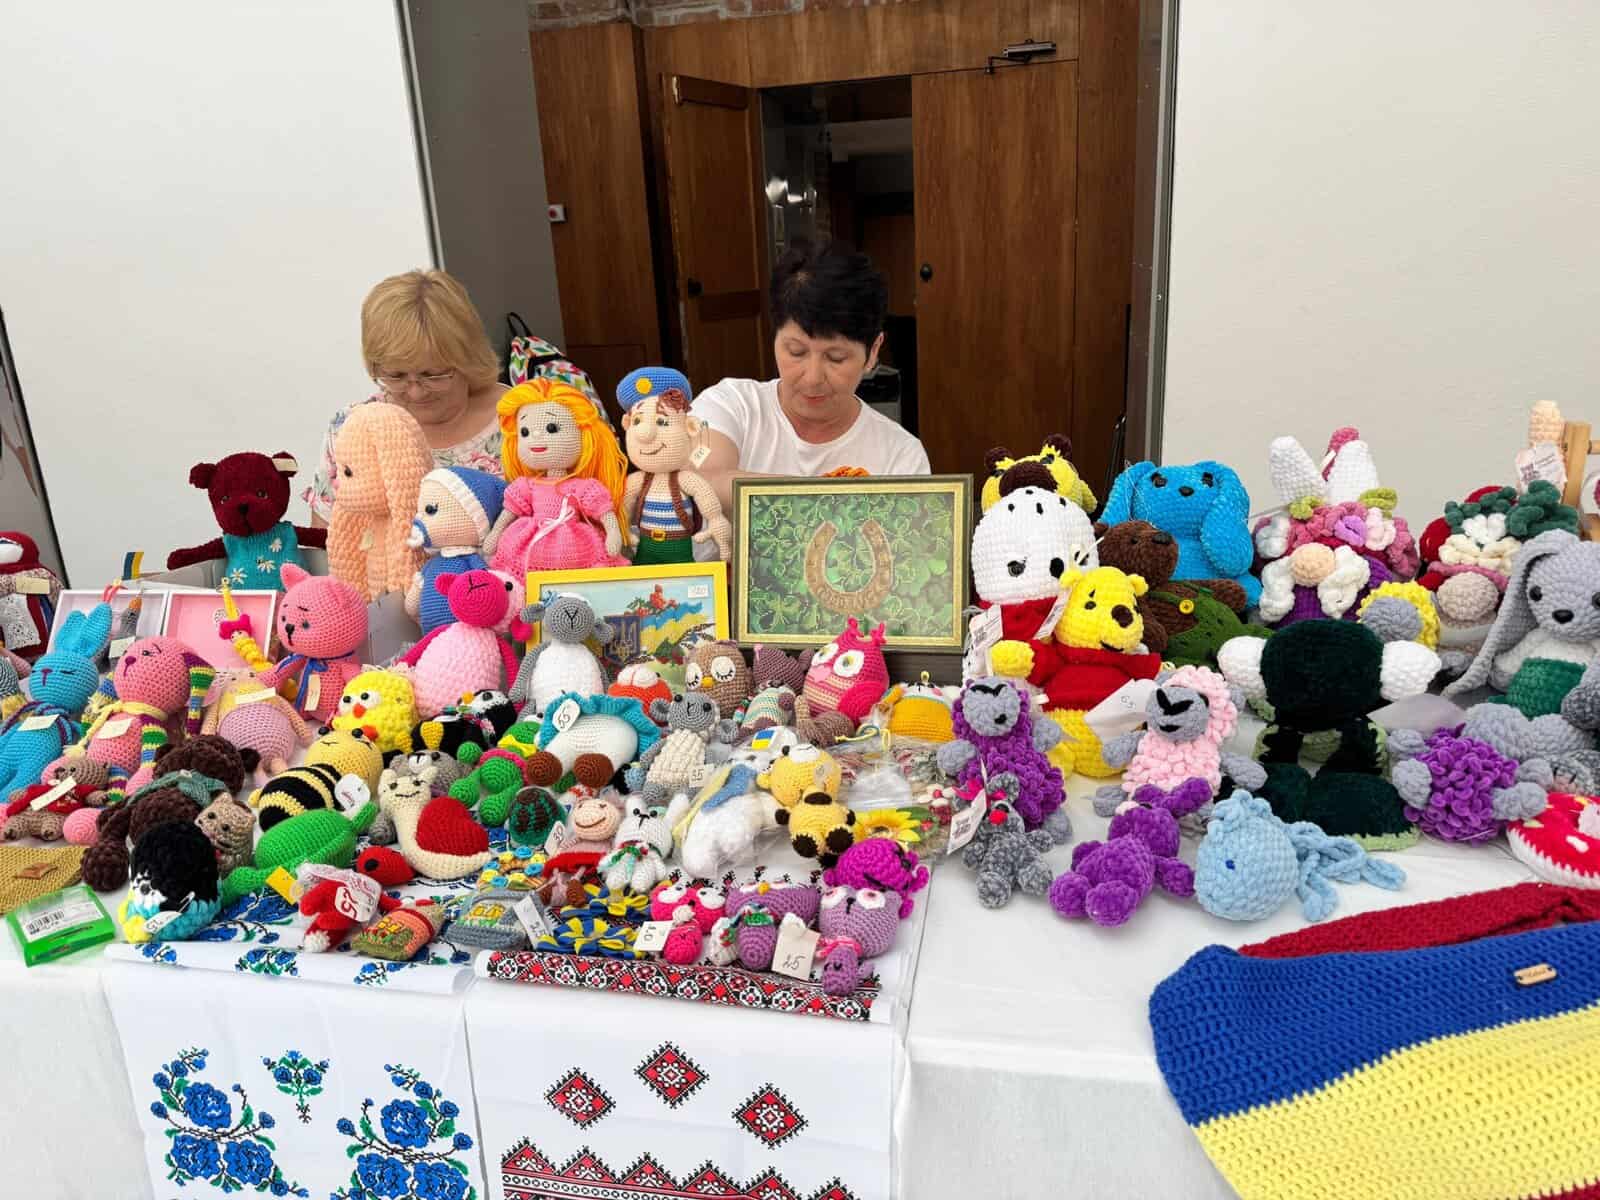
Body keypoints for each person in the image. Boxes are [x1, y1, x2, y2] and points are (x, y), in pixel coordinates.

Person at [306, 268, 595, 524]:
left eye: (433, 375)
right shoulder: (351, 429)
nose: (416, 391)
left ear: (467, 358)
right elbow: (326, 541)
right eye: (396, 376)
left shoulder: (526, 421)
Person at [693, 241, 930, 514]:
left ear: (873, 351)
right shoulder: (732, 405)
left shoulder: (900, 456)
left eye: (836, 357)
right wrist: (830, 498)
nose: (812, 378)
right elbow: (702, 478)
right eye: (796, 352)